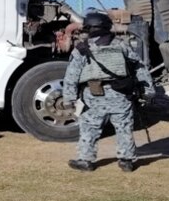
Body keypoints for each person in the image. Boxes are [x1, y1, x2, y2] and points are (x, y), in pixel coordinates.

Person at [61, 11, 155, 173]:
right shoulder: (121, 45)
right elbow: (139, 67)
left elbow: (72, 76)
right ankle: (126, 161)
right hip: (121, 94)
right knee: (124, 127)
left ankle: (86, 160)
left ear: (89, 28)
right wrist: (148, 90)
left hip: (93, 95)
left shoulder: (82, 49)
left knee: (90, 127)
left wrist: (69, 99)